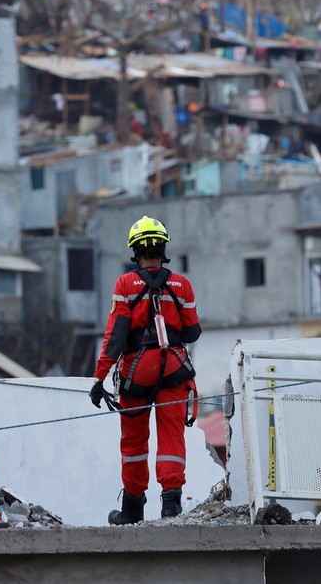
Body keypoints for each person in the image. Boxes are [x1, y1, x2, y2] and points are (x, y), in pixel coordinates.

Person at [90, 216, 201, 524]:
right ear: (163, 247)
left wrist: (100, 377)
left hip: (136, 371)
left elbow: (115, 338)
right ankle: (171, 507)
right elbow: (192, 333)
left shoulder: (125, 285)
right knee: (171, 437)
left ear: (134, 251)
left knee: (134, 441)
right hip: (174, 369)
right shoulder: (182, 285)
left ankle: (133, 509)